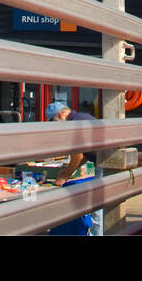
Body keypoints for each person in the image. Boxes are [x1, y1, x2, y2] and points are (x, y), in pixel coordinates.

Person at [45, 99, 102, 236]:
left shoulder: (73, 124)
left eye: (53, 122)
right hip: (104, 161)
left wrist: (65, 174)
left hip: (105, 163)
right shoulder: (81, 118)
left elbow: (78, 156)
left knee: (98, 207)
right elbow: (86, 155)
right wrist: (69, 169)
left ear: (60, 115)